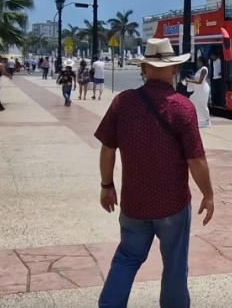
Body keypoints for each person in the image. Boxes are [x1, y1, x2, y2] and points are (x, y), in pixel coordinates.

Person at [94, 38, 214, 308]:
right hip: (173, 205)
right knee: (174, 265)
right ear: (173, 70)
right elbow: (196, 159)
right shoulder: (182, 107)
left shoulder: (122, 103)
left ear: (144, 69)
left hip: (134, 204)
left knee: (126, 258)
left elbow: (107, 148)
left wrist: (106, 185)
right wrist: (208, 194)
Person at [183, 56, 211, 128]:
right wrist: (190, 79)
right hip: (198, 90)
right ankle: (196, 120)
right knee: (192, 102)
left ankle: (207, 122)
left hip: (203, 90)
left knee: (203, 105)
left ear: (202, 62)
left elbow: (200, 81)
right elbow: (196, 79)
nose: (197, 62)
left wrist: (189, 81)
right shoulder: (199, 70)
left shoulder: (204, 69)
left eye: (198, 61)